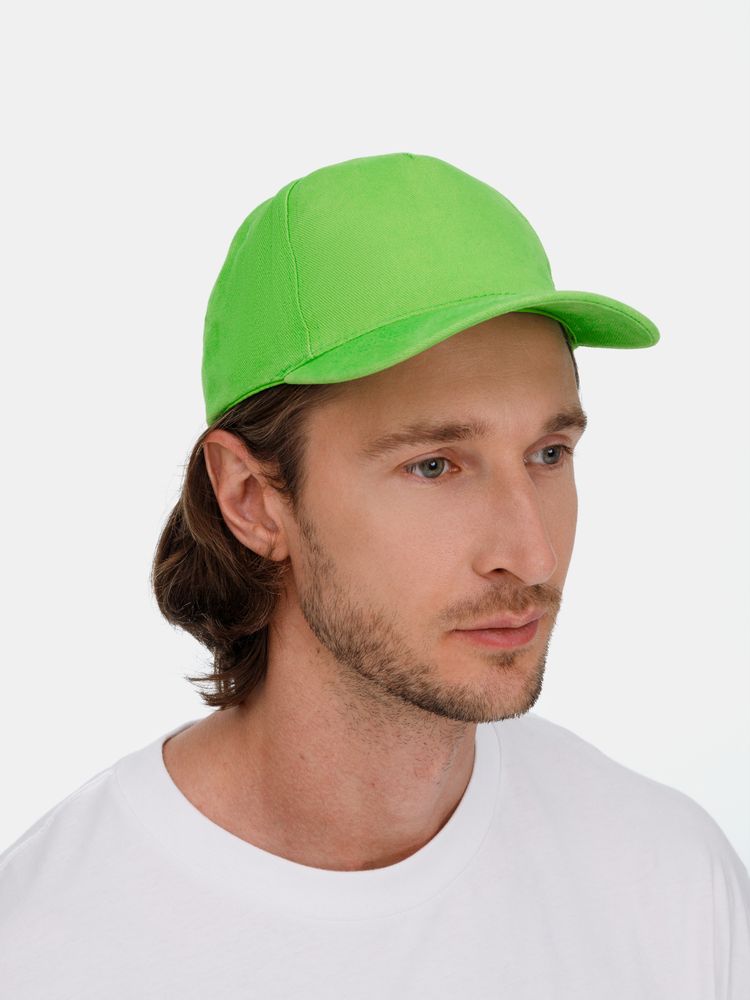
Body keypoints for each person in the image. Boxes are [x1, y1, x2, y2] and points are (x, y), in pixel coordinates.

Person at [1, 152, 748, 998]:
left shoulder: (670, 888)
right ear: (251, 499)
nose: (532, 554)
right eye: (434, 465)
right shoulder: (44, 952)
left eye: (548, 453)